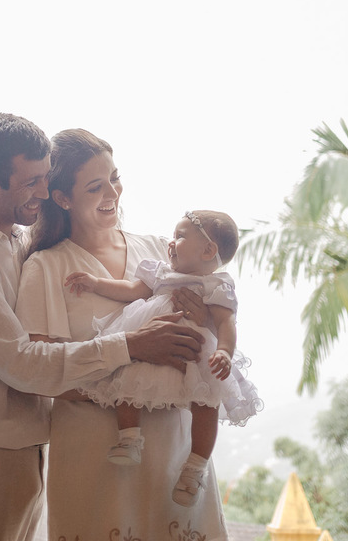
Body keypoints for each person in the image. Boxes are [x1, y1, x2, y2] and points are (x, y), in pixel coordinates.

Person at [0, 114, 203, 541]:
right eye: (30, 183)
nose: (43, 193)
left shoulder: (17, 243)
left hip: (31, 445)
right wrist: (133, 346)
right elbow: (22, 364)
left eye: (45, 178)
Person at [15, 129, 230, 540]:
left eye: (115, 177)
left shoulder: (159, 251)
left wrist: (204, 320)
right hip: (95, 453)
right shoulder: (45, 268)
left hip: (176, 451)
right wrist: (133, 351)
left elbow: (218, 321)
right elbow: (42, 377)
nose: (113, 192)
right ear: (62, 198)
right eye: (95, 186)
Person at [67, 209, 262, 506]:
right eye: (173, 235)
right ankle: (129, 437)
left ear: (208, 250)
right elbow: (131, 291)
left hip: (196, 353)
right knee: (127, 379)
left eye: (180, 236)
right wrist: (96, 283)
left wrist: (223, 351)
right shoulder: (159, 272)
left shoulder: (216, 287)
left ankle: (195, 467)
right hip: (148, 340)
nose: (171, 242)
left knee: (206, 403)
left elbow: (226, 324)